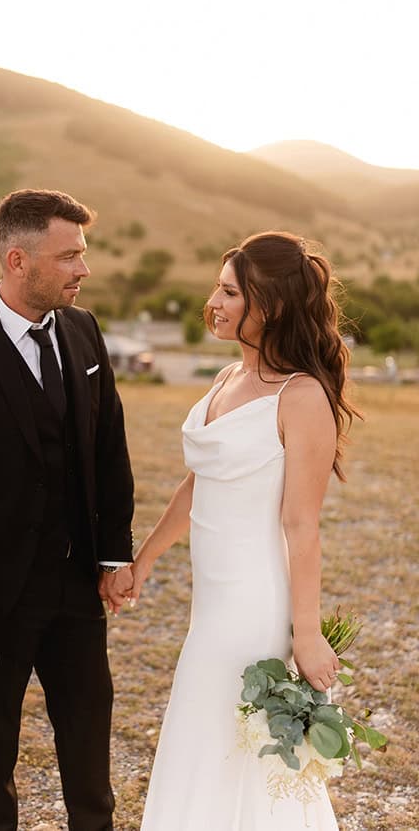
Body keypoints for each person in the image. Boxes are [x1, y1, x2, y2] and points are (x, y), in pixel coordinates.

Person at [0, 189, 135, 831]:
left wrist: (114, 554)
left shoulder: (83, 329)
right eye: (69, 257)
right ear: (18, 260)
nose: (82, 270)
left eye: (83, 255)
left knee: (91, 764)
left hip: (76, 592)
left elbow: (108, 448)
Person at [130, 231, 359, 830]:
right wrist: (144, 560)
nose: (217, 301)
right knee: (205, 730)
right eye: (219, 287)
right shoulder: (227, 377)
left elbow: (302, 525)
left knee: (245, 744)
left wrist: (306, 635)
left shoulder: (302, 396)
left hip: (255, 604)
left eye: (232, 292)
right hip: (211, 601)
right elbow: (195, 486)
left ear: (273, 305)